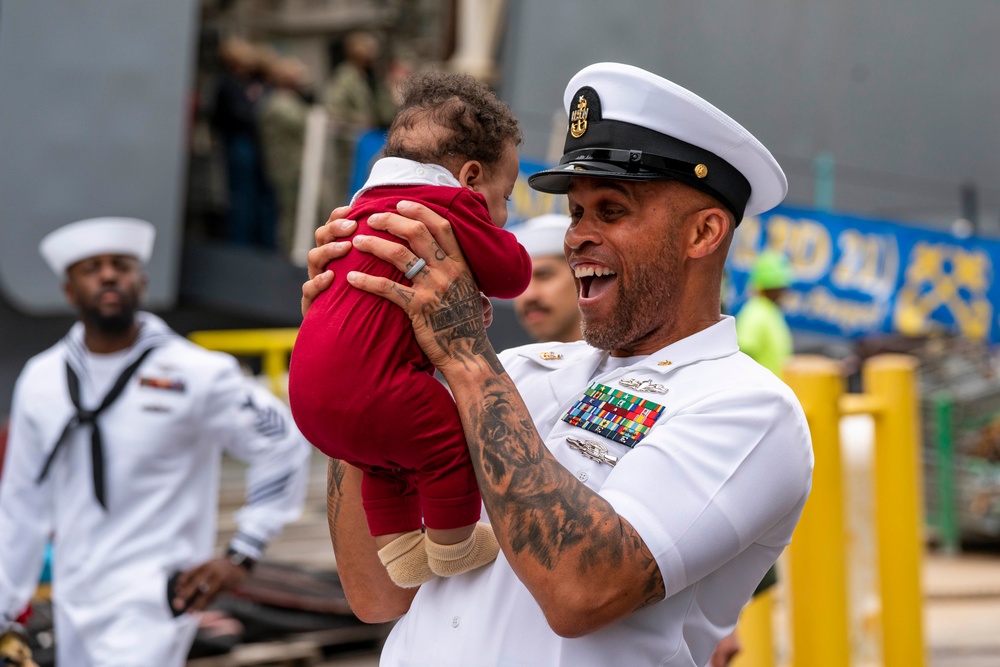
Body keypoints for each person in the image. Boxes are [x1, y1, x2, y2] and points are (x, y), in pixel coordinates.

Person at [305, 62, 813, 666]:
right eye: (575, 213)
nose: (577, 238)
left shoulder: (747, 407)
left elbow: (582, 590)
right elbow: (379, 592)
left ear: (703, 233)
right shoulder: (518, 370)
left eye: (611, 211)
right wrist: (358, 351)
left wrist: (465, 355)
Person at [0, 218, 311, 666]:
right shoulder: (41, 379)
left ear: (141, 284)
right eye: (92, 267)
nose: (108, 275)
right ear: (69, 291)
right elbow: (21, 502)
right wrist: (9, 610)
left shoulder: (195, 372)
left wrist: (244, 551)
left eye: (120, 265)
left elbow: (281, 440)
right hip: (74, 595)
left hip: (156, 595)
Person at [288, 70, 531, 589]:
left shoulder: (357, 209)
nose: (504, 213)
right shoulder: (447, 204)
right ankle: (453, 545)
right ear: (469, 178)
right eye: (505, 194)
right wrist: (500, 248)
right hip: (377, 391)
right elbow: (512, 275)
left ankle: (401, 555)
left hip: (308, 396)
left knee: (382, 460)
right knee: (444, 442)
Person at [322, 31, 399, 208]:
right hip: (352, 143)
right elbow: (334, 109)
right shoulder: (346, 77)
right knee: (350, 184)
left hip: (367, 139)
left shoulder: (367, 76)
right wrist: (360, 120)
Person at [259, 55, 311, 255]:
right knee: (289, 213)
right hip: (286, 168)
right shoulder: (280, 105)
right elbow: (303, 124)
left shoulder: (286, 102)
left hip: (290, 166)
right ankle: (289, 252)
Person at [510, 214, 582, 343]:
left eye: (544, 276)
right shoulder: (509, 362)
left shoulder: (624, 361)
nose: (529, 296)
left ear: (582, 278)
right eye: (519, 282)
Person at [735, 251, 794, 377]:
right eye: (780, 287)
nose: (784, 291)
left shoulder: (770, 310)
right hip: (759, 392)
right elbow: (744, 352)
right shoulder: (755, 312)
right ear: (770, 287)